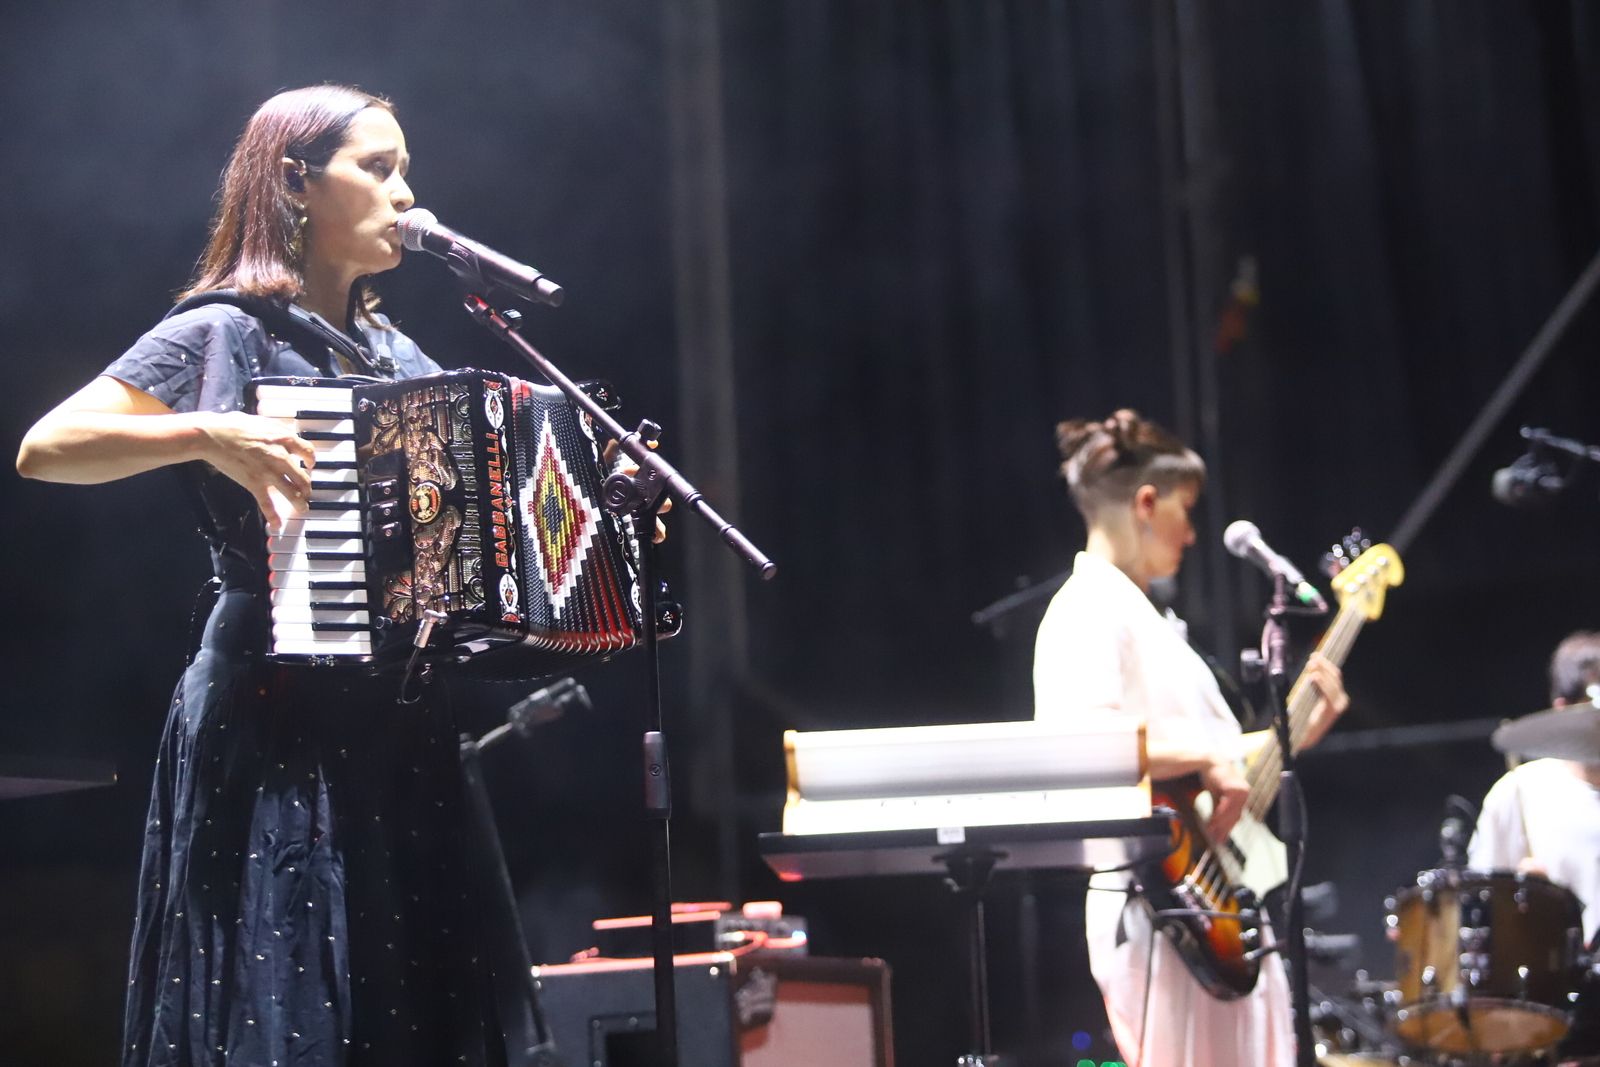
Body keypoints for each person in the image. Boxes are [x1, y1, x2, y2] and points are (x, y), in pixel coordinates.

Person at [17, 85, 506, 1067]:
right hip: (269, 706)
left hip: (397, 719)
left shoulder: (396, 354)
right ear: (294, 181)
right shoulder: (224, 330)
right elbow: (46, 445)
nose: (406, 193)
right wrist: (204, 428)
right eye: (378, 167)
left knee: (404, 1008)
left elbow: (457, 538)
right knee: (283, 998)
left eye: (405, 167)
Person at [1032, 409, 1349, 1067]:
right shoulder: (1086, 608)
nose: (1193, 533)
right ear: (1146, 502)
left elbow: (1208, 781)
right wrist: (1210, 753)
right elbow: (1078, 745)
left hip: (1206, 905)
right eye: (1185, 509)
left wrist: (1289, 737)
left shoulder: (1140, 615)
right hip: (1159, 908)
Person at [1468, 630, 1600, 1064]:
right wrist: (1521, 898)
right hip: (1555, 1012)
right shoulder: (1522, 791)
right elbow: (1477, 916)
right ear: (1563, 709)